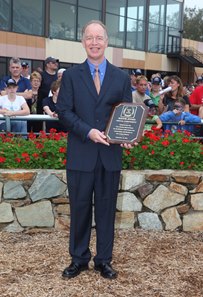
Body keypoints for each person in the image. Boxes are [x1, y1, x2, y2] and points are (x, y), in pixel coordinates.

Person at [57, 20, 136, 280]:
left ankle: (103, 260)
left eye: (98, 37)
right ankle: (78, 259)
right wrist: (88, 131)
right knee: (80, 209)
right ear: (82, 41)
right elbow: (64, 112)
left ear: (106, 41)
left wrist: (128, 136)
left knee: (105, 210)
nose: (94, 42)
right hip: (81, 152)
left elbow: (127, 114)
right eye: (89, 37)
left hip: (110, 156)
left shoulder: (121, 77)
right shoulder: (70, 76)